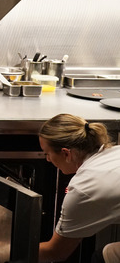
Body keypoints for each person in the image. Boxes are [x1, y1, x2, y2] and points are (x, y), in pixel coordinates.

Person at [38, 113, 120, 263]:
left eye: (47, 153)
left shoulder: (83, 188)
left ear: (66, 153)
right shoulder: (115, 152)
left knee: (103, 258)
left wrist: (3, 250)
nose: (48, 159)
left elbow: (55, 252)